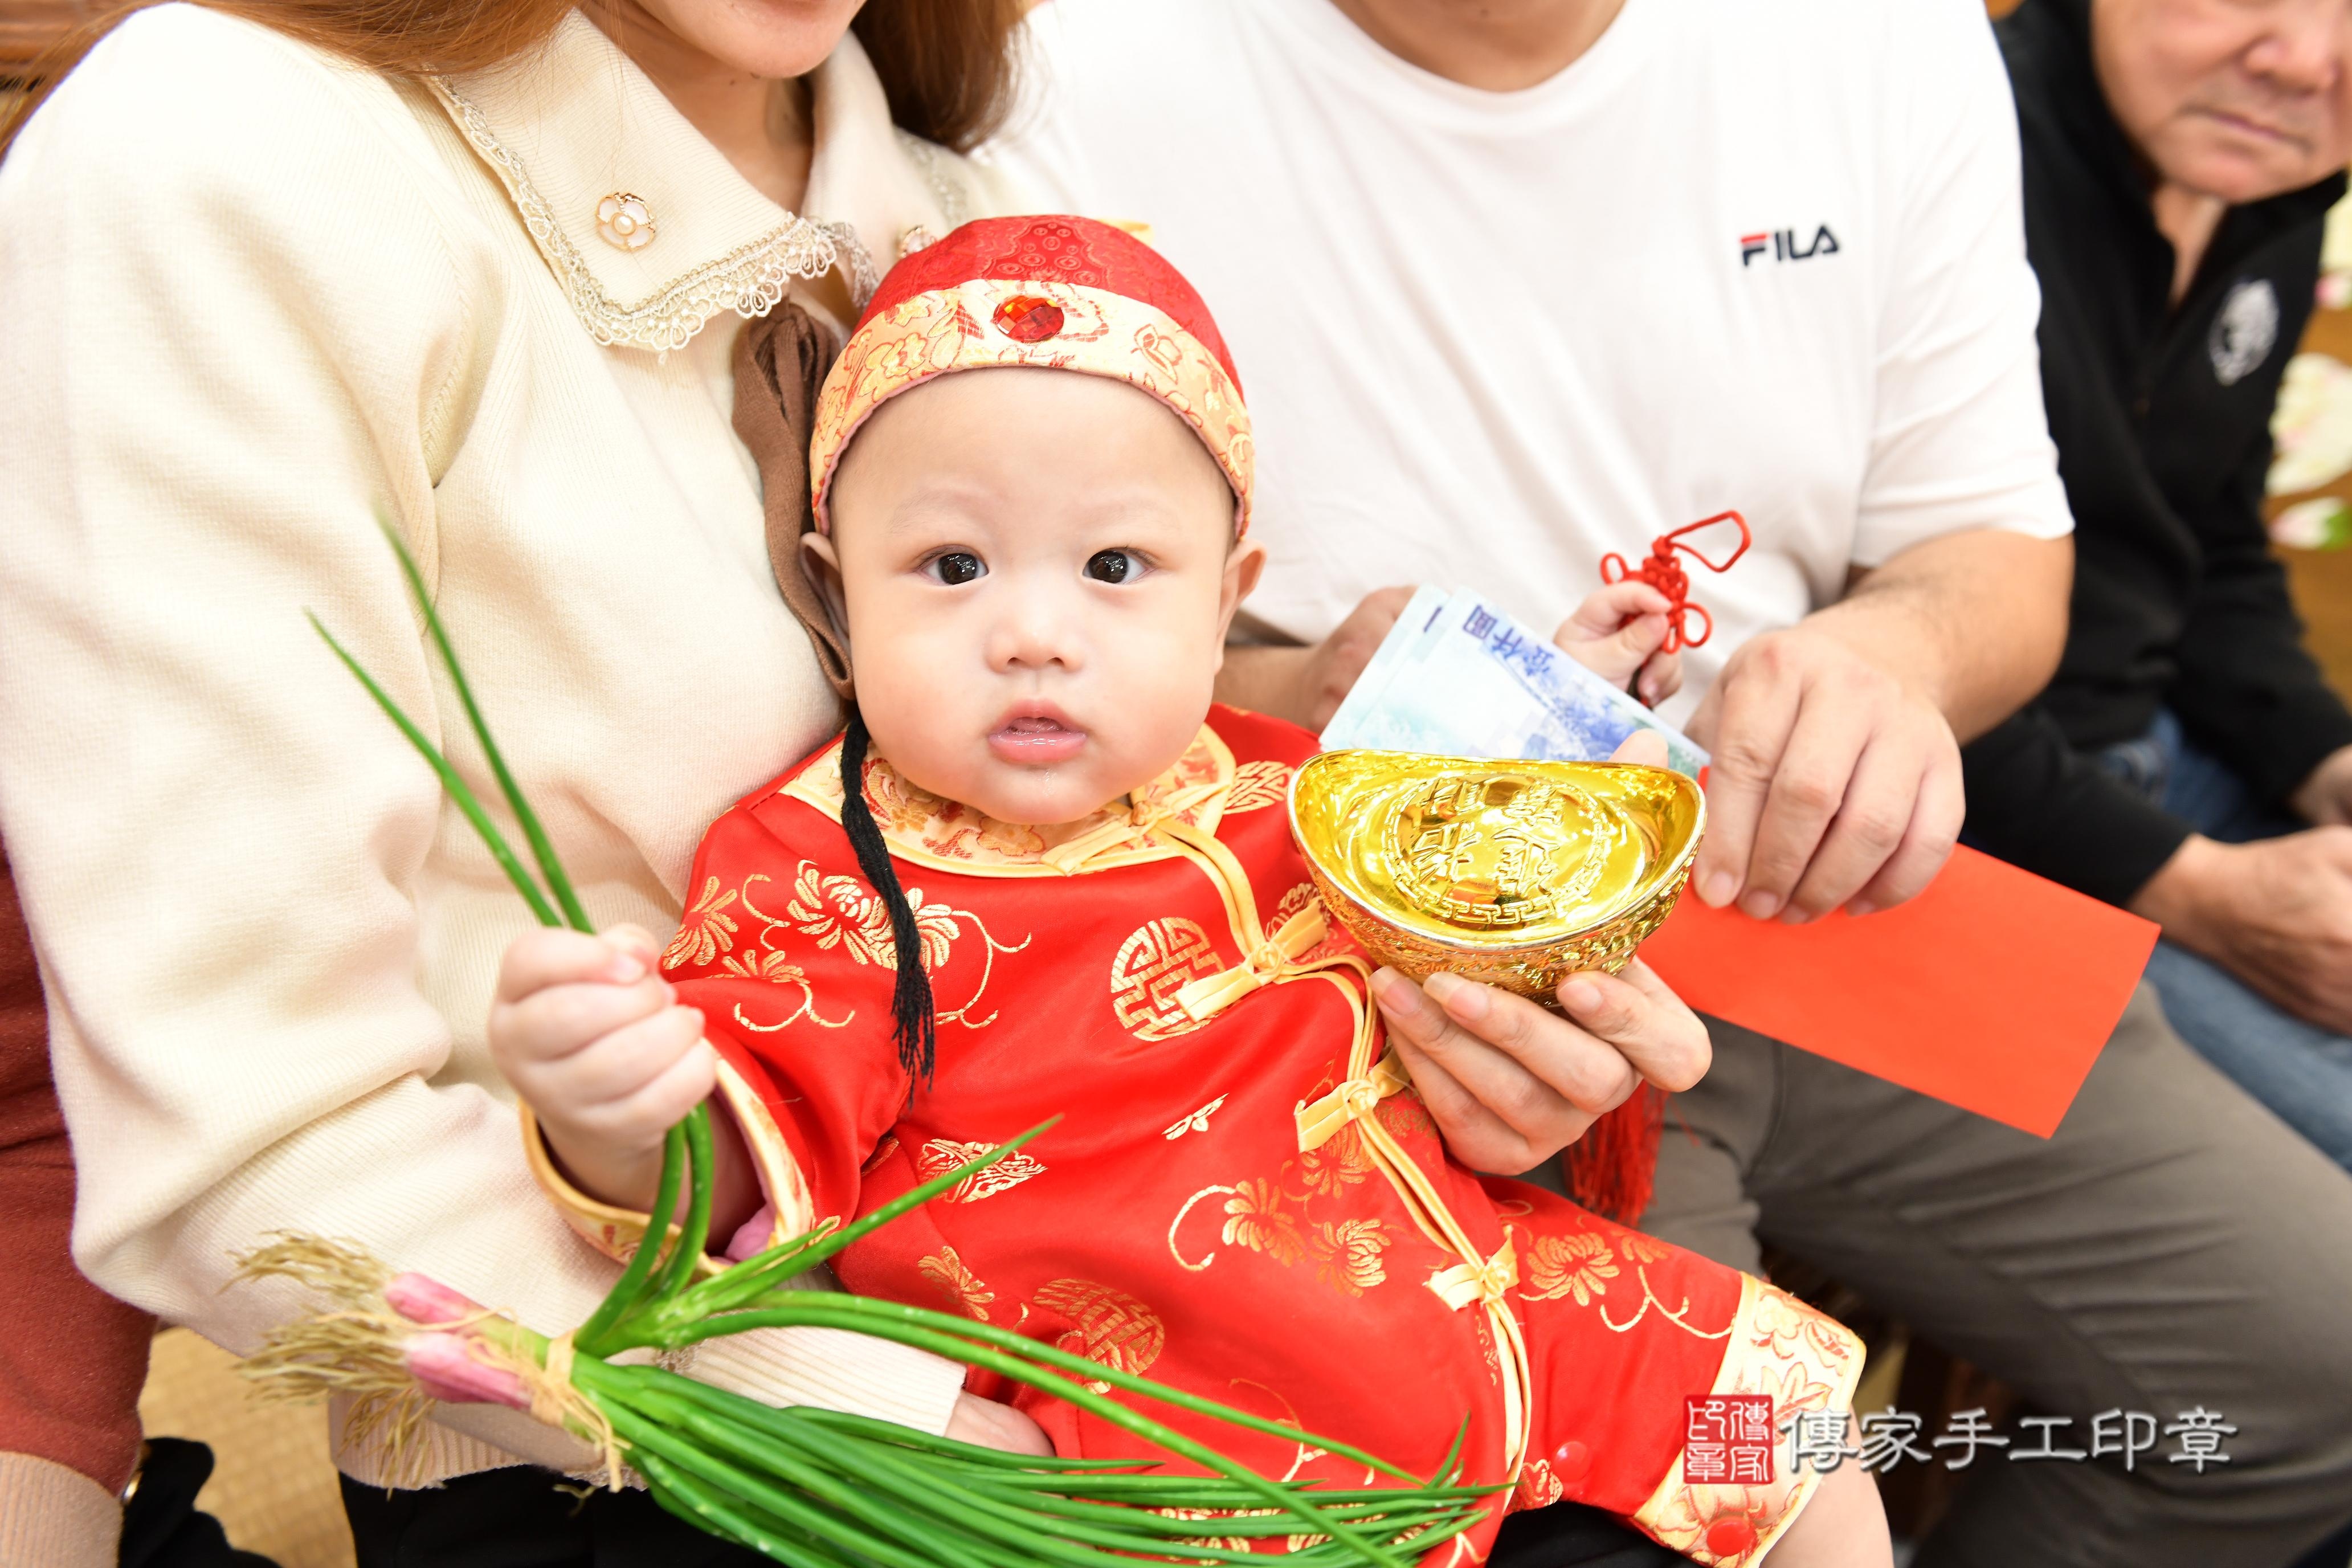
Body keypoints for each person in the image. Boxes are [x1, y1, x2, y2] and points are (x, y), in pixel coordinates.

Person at [981, 1, 2352, 1563]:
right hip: (1384, 968)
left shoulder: (1885, 41)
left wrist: (1882, 662)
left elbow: (2000, 555)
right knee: (1720, 1500)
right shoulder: (1070, 68)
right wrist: (1286, 692)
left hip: (1807, 894)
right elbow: (963, 618)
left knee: (2317, 1371)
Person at [488, 214, 1892, 1565]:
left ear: (1227, 604)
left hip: (1502, 1305)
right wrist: (622, 1109)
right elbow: (751, 1149)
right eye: (951, 567)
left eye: (1116, 568)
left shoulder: (1301, 783)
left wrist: (1561, 717)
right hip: (1180, 1412)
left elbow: (1480, 879)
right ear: (837, 600)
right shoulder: (821, 862)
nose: (1034, 633)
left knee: (1802, 1437)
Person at [0, 0, 1034, 1558]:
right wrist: (884, 1421)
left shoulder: (969, 209)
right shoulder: (231, 149)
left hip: (1143, 1337)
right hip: (648, 1456)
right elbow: (250, 1145)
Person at [1961, 0, 2352, 1177]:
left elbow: (2208, 543)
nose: (2301, 61)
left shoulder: (2271, 194)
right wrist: (2196, 888)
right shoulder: (1953, 155)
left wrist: (2326, 759)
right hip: (1956, 832)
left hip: (2164, 760)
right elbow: (1828, 641)